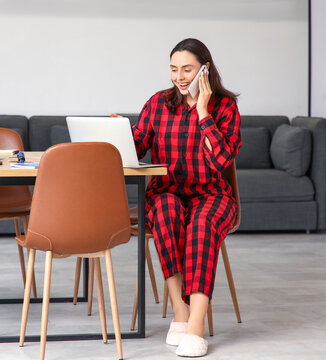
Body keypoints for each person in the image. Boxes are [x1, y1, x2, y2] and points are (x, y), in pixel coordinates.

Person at [132, 38, 241, 357]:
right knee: (165, 213)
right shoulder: (158, 103)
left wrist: (204, 111)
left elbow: (222, 160)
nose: (179, 76)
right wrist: (118, 135)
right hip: (166, 191)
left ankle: (195, 326)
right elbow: (137, 148)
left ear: (204, 70)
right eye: (174, 69)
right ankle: (180, 313)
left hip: (213, 194)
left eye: (187, 69)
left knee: (201, 225)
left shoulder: (225, 106)